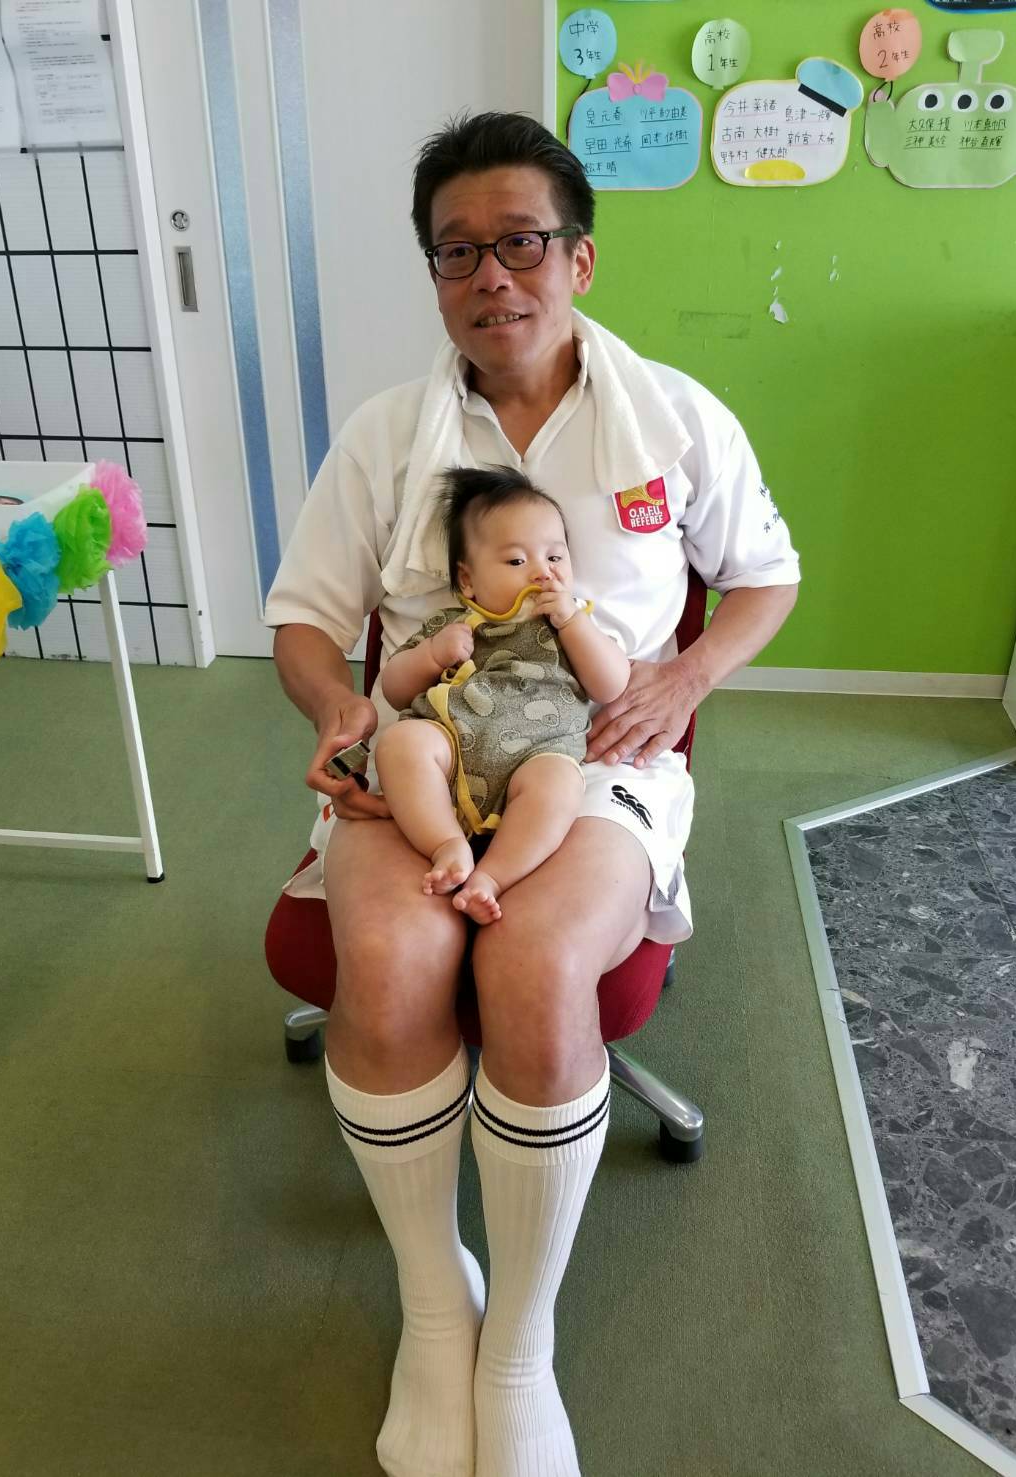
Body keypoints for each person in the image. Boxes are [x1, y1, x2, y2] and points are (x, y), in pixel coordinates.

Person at [266, 111, 800, 1477]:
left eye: (520, 243)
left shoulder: (674, 416)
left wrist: (684, 679)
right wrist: (340, 709)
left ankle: (520, 1344)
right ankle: (435, 1308)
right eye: (457, 252)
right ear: (434, 274)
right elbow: (308, 619)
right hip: (430, 748)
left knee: (537, 965)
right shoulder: (387, 434)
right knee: (391, 961)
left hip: (593, 760)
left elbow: (765, 576)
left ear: (580, 258)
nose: (490, 276)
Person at [374, 464, 629, 924]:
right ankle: (444, 842)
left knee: (560, 785)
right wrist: (431, 655)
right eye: (516, 562)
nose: (542, 573)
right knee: (400, 742)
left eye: (555, 557)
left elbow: (611, 683)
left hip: (539, 753)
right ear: (467, 581)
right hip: (453, 747)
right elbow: (394, 690)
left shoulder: (573, 627)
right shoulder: (452, 626)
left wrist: (573, 623)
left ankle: (493, 876)